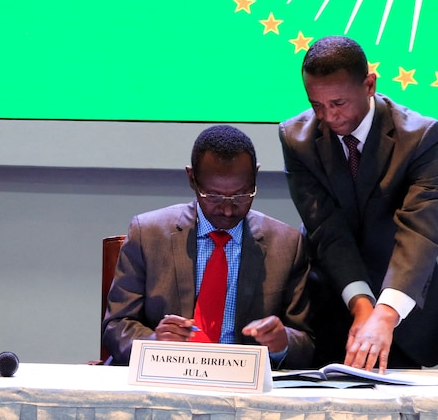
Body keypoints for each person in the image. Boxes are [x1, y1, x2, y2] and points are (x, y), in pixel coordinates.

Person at [279, 36, 438, 372]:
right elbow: (327, 231)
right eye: (316, 105)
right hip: (333, 309)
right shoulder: (295, 138)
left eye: (339, 103)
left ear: (369, 84)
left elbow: (420, 232)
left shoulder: (421, 137)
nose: (329, 117)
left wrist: (384, 314)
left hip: (403, 313)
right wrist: (361, 306)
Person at [102, 125, 313, 368]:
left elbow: (306, 342)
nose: (227, 209)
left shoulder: (286, 244)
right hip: (166, 379)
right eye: (213, 196)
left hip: (242, 386)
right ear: (192, 179)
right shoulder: (148, 234)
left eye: (242, 195)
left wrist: (283, 342)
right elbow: (116, 325)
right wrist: (153, 343)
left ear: (255, 175)